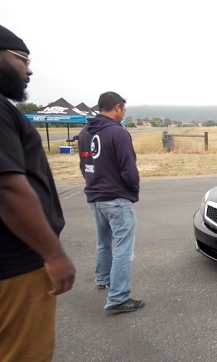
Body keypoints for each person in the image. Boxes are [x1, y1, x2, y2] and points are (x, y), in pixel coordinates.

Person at [0, 7, 75, 361]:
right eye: (23, 59)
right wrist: (53, 255)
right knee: (23, 353)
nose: (30, 69)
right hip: (9, 262)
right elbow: (2, 187)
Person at [78, 91, 144, 314]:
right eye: (123, 109)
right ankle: (118, 297)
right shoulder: (118, 133)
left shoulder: (85, 132)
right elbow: (129, 169)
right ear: (117, 107)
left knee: (103, 241)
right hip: (116, 198)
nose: (124, 113)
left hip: (95, 196)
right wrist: (132, 191)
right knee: (123, 248)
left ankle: (103, 278)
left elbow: (84, 165)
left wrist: (93, 184)